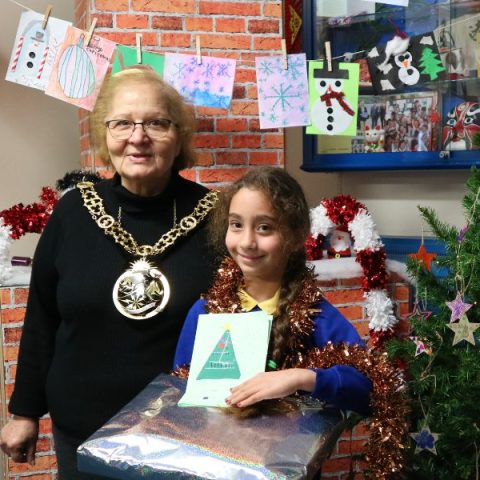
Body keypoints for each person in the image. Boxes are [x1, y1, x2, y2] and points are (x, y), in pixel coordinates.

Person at [0, 67, 218, 479]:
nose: (138, 137)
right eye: (122, 123)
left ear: (179, 137)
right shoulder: (73, 212)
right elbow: (42, 317)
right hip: (82, 431)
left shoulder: (216, 218)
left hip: (186, 435)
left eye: (157, 123)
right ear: (104, 135)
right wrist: (24, 412)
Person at [173, 167, 372, 415]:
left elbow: (366, 387)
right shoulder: (204, 312)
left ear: (296, 236)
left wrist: (302, 378)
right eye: (236, 225)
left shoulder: (315, 316)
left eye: (264, 227)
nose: (247, 242)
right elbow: (180, 392)